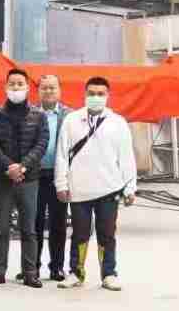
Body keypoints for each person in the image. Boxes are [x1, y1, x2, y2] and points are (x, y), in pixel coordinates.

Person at [55, 77, 135, 291]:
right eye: (91, 93)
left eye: (100, 94)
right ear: (85, 94)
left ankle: (109, 274)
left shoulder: (118, 123)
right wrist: (61, 184)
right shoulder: (72, 120)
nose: (96, 97)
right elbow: (62, 155)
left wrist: (130, 187)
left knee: (107, 233)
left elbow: (127, 158)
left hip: (109, 188)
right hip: (79, 189)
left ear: (108, 96)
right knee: (79, 234)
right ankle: (76, 273)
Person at [0, 67, 50, 288]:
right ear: (5, 87)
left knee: (29, 229)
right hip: (2, 179)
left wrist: (22, 167)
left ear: (27, 87)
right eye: (12, 83)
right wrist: (9, 166)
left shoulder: (39, 116)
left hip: (29, 179)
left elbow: (41, 144)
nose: (16, 87)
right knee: (1, 228)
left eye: (20, 84)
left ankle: (30, 272)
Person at [34, 74, 72, 282]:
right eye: (44, 88)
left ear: (60, 90)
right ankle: (32, 267)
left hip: (59, 176)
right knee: (34, 223)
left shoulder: (70, 116)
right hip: (35, 176)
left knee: (58, 224)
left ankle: (57, 267)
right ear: (38, 91)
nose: (48, 91)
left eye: (52, 87)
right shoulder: (30, 113)